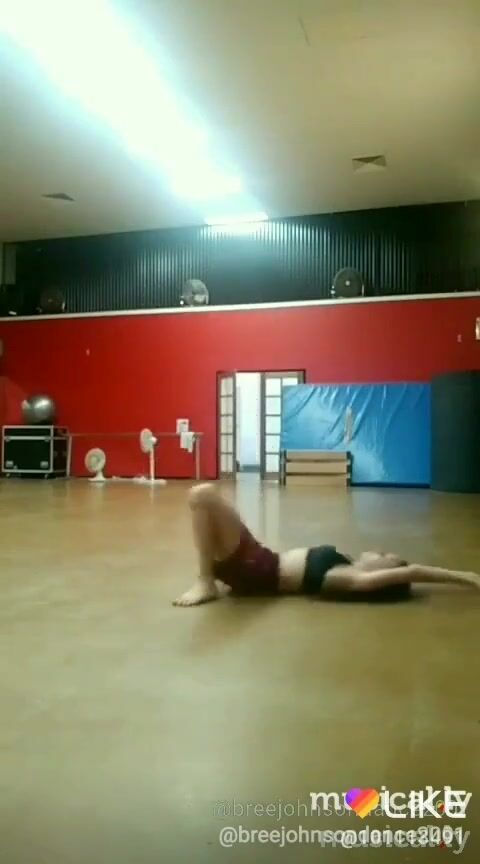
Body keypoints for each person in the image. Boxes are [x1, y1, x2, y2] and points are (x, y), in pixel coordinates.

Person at [173, 484, 480, 607]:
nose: (381, 551)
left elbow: (411, 572)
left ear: (383, 574)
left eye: (386, 557)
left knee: (202, 495)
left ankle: (205, 580)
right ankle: (207, 577)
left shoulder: (349, 578)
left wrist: (467, 578)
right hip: (257, 560)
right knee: (202, 500)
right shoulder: (345, 564)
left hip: (252, 568)